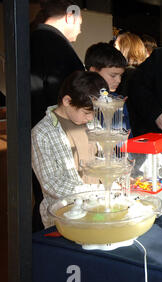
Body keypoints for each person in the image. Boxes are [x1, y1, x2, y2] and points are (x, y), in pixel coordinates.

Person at [30, 0, 85, 231]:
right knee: (54, 204)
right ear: (69, 16)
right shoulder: (55, 47)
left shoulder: (31, 40)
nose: (81, 30)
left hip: (34, 129)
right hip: (54, 139)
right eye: (81, 22)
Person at [31, 71, 109, 228]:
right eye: (87, 113)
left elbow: (105, 158)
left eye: (94, 113)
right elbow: (53, 184)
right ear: (67, 101)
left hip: (98, 208)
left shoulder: (92, 124)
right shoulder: (42, 133)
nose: (91, 118)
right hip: (66, 217)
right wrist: (102, 190)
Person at [84, 42, 130, 134]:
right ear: (93, 71)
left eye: (120, 75)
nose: (118, 80)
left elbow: (127, 135)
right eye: (113, 75)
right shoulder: (82, 101)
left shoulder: (117, 100)